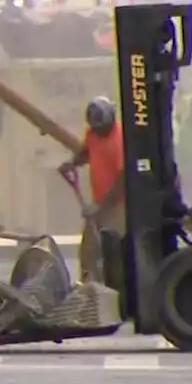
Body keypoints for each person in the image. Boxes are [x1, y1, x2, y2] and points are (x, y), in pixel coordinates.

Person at [59, 96, 125, 285]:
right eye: (96, 129)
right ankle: (90, 293)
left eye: (102, 129)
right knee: (88, 252)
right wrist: (72, 164)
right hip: (99, 203)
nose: (99, 132)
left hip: (119, 206)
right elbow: (86, 151)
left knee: (114, 251)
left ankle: (118, 295)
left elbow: (123, 180)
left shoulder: (119, 140)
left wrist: (101, 208)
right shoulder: (94, 133)